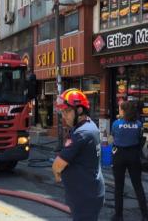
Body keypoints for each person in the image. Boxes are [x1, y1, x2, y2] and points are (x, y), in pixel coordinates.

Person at [52, 89, 105, 221]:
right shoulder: (87, 125)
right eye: (62, 111)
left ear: (79, 110)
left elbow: (58, 164)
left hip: (85, 197)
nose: (64, 115)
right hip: (86, 194)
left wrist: (56, 171)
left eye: (67, 111)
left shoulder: (82, 133)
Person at [110, 101, 148, 221]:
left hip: (119, 155)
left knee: (119, 186)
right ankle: (145, 216)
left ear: (124, 110)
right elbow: (139, 138)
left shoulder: (116, 124)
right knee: (138, 185)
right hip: (134, 154)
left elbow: (112, 140)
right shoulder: (138, 123)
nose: (119, 111)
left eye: (120, 109)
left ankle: (118, 215)